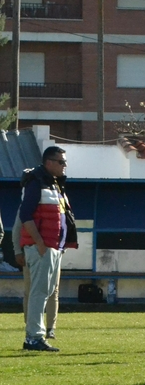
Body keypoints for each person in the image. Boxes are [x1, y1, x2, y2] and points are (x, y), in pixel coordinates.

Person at [19, 146, 78, 352]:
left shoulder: (53, 184)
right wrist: (40, 243)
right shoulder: (36, 182)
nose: (64, 166)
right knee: (39, 292)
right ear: (49, 163)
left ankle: (37, 336)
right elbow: (25, 215)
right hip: (42, 248)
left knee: (46, 291)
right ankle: (33, 337)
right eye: (61, 162)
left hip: (53, 248)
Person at [13, 209, 61, 342]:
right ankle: (31, 326)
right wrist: (17, 251)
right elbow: (17, 228)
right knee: (31, 291)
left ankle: (50, 328)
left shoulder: (58, 202)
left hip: (54, 250)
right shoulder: (28, 205)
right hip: (33, 251)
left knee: (53, 290)